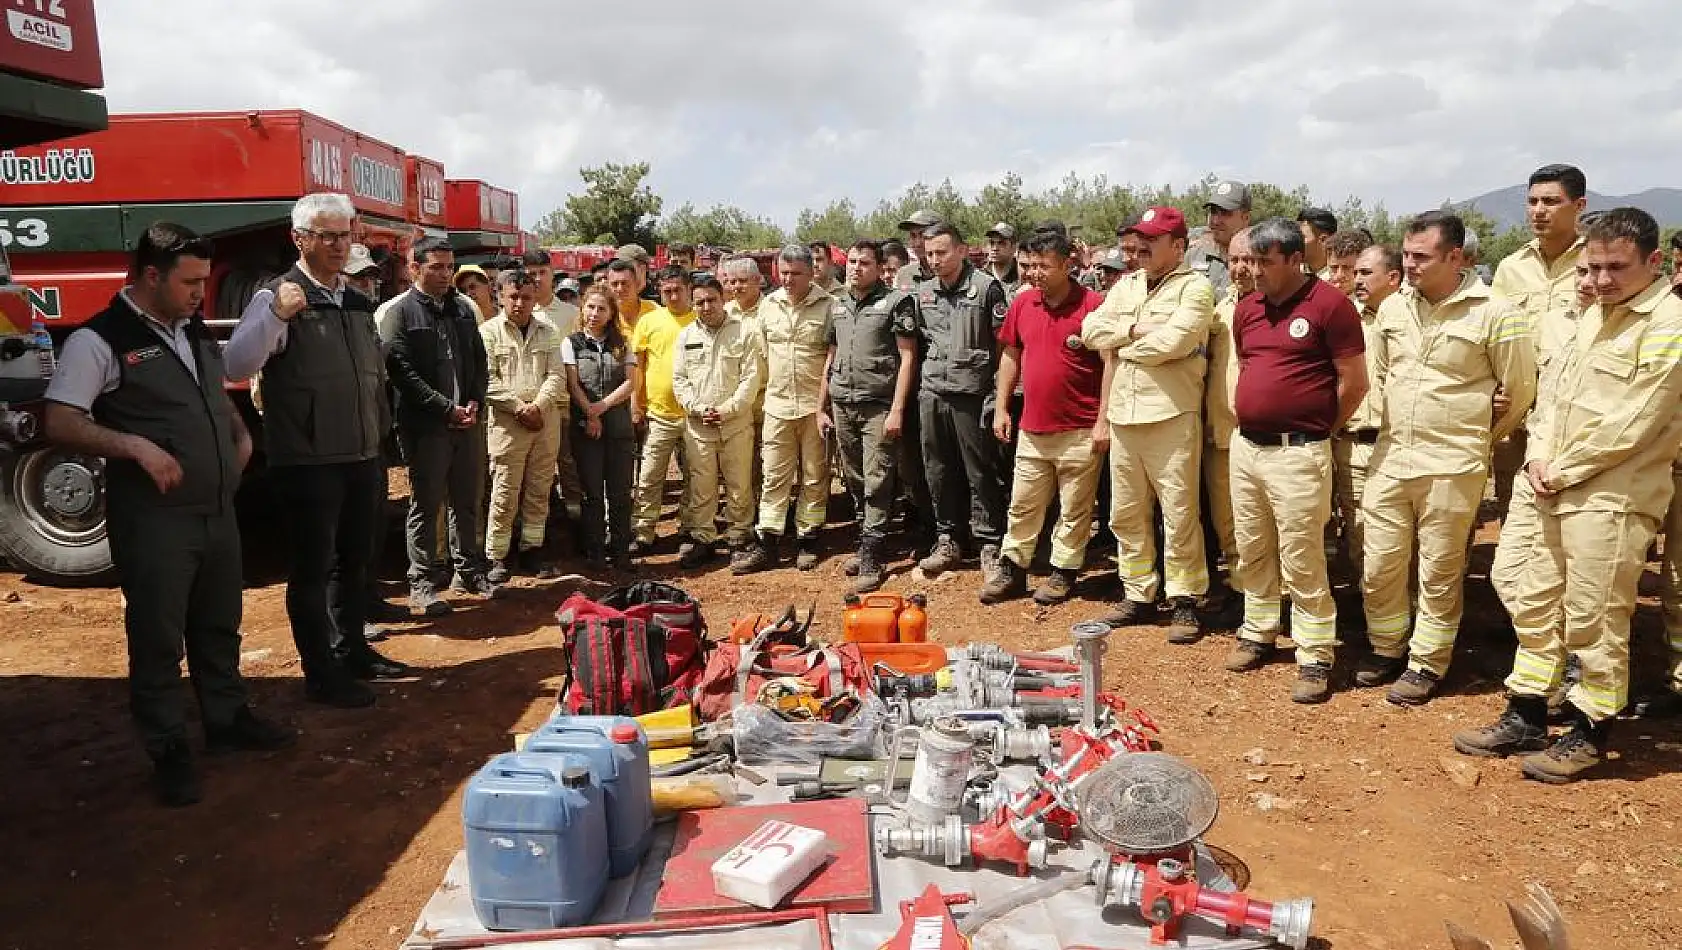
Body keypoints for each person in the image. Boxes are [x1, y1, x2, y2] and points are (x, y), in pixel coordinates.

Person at [44, 222, 294, 806]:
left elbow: (214, 391)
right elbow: (60, 419)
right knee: (158, 636)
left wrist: (239, 436)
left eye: (205, 282)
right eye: (190, 282)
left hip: (213, 509)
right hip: (155, 519)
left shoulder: (193, 331)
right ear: (150, 276)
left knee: (218, 623)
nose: (200, 294)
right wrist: (135, 446)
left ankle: (227, 721)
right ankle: (167, 748)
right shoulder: (98, 340)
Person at [1454, 207, 1682, 783]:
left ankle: (1589, 727)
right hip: (1548, 480)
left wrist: (1565, 468)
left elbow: (1639, 420)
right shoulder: (1591, 317)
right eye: (1593, 267)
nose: (1601, 280)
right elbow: (1551, 395)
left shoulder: (1667, 324)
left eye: (1616, 268)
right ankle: (1529, 710)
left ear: (1653, 262)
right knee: (1527, 591)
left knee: (1595, 615)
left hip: (1610, 494)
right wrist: (1537, 458)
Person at [224, 193, 400, 702]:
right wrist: (277, 316)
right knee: (312, 568)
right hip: (308, 461)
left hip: (361, 455)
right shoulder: (276, 297)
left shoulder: (355, 300)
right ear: (298, 239)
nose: (337, 245)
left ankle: (353, 652)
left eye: (344, 234)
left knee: (356, 561)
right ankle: (321, 673)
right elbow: (236, 365)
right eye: (325, 235)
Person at [1357, 212, 1536, 706]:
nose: (1409, 265)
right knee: (1380, 564)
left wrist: (1478, 434)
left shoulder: (1497, 312)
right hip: (1392, 457)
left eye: (1421, 257)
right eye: (1406, 254)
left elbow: (1519, 390)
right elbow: (1386, 374)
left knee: (1438, 570)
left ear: (1455, 257)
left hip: (1453, 464)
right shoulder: (1393, 309)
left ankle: (1426, 663)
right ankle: (1385, 647)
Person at [1221, 217, 1369, 705]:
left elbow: (1354, 381)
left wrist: (1320, 427)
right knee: (1252, 547)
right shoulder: (1247, 310)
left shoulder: (1330, 306)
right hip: (1247, 449)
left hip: (1299, 452)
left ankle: (1314, 654)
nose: (1254, 271)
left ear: (1293, 259)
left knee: (1302, 556)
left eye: (1264, 262)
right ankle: (1258, 631)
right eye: (1250, 261)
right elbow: (1246, 365)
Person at [1080, 207, 1213, 643]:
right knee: (1125, 512)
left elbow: (1178, 340)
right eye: (1141, 239)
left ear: (1178, 246)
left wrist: (1123, 343)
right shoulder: (1128, 285)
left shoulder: (1195, 287)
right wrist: (1137, 329)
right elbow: (1090, 331)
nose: (1143, 249)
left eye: (1153, 240)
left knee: (1179, 513)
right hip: (1124, 415)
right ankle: (1138, 593)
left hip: (1171, 415)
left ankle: (1185, 599)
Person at [982, 229, 1106, 606]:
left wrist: (1104, 421)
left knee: (1075, 507)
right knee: (1022, 503)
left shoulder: (1094, 306)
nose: (1034, 274)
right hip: (1033, 426)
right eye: (1030, 265)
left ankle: (1064, 571)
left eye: (1044, 266)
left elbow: (1111, 365)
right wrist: (1002, 406)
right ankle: (1013, 568)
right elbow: (1010, 357)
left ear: (1067, 264)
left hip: (1081, 428)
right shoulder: (1022, 304)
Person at [381, 236, 497, 613]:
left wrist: (475, 400)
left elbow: (478, 362)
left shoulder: (463, 310)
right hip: (427, 427)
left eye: (450, 267)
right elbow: (401, 370)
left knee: (467, 500)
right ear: (414, 268)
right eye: (437, 267)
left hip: (468, 424)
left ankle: (469, 571)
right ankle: (422, 581)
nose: (446, 274)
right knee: (426, 504)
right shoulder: (400, 313)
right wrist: (445, 408)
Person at [1488, 164, 1589, 539]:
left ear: (1579, 205)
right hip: (1516, 411)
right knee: (1512, 505)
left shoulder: (1594, 267)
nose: (1538, 210)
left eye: (1551, 201)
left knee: (1568, 508)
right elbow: (1493, 338)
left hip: (1571, 411)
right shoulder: (1511, 268)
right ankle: (1515, 593)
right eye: (1532, 201)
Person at [912, 222, 1010, 578]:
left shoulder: (986, 289)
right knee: (937, 469)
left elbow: (1003, 343)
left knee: (979, 471)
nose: (935, 260)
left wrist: (997, 392)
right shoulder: (923, 294)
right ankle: (949, 538)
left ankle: (988, 542)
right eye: (929, 254)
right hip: (933, 391)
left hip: (972, 393)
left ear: (962, 250)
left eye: (942, 252)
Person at [822, 239, 921, 593]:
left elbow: (907, 358)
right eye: (851, 261)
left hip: (878, 406)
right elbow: (830, 358)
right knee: (854, 478)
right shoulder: (837, 306)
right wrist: (822, 406)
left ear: (880, 268)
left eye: (864, 263)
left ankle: (873, 554)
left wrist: (897, 409)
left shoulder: (896, 303)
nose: (855, 268)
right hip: (842, 403)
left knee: (878, 477)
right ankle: (867, 538)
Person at [734, 245, 836, 573]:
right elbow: (761, 356)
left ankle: (808, 537)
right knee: (774, 475)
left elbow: (833, 360)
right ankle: (769, 541)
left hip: (813, 407)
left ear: (811, 273)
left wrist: (825, 406)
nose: (789, 280)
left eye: (796, 274)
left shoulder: (829, 306)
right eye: (784, 273)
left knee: (814, 474)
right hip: (777, 405)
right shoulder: (769, 307)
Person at [479, 269, 566, 581]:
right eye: (513, 296)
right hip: (507, 422)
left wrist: (537, 407)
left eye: (526, 297)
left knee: (540, 488)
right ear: (500, 297)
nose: (519, 303)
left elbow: (556, 374)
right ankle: (496, 556)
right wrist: (518, 408)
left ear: (534, 298)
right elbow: (486, 380)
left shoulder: (548, 330)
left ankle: (532, 549)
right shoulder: (488, 332)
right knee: (505, 489)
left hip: (544, 419)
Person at [673, 274, 765, 566]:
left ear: (723, 298)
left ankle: (739, 538)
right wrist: (698, 408)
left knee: (739, 486)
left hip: (735, 424)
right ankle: (703, 538)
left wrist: (727, 409)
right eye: (699, 302)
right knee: (702, 487)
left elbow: (752, 378)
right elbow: (679, 380)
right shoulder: (686, 336)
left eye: (711, 300)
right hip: (699, 426)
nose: (706, 306)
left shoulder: (745, 332)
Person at [1336, 243, 1402, 585]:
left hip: (1399, 446)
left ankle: (1413, 619)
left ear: (1393, 277)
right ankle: (1376, 620)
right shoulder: (1344, 317)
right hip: (1353, 445)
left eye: (1365, 273)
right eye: (1354, 272)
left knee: (1405, 541)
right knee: (1361, 537)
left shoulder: (1415, 318)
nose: (1355, 280)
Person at [1202, 227, 1256, 622]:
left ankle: (1267, 599)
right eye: (1234, 260)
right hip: (1222, 434)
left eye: (1248, 260)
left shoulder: (1281, 309)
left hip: (1264, 438)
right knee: (1229, 524)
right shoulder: (1219, 310)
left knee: (1264, 528)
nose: (1240, 268)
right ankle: (1241, 593)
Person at [563, 286, 638, 568]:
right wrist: (591, 414)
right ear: (583, 309)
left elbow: (631, 383)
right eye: (591, 307)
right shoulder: (571, 343)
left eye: (602, 309)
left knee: (620, 490)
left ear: (611, 314)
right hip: (586, 428)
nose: (595, 314)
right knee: (591, 491)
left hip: (618, 426)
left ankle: (621, 550)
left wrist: (602, 407)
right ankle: (595, 550)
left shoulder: (623, 343)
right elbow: (573, 384)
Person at [629, 265, 700, 556]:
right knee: (649, 476)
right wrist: (636, 403)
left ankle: (688, 529)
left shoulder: (699, 319)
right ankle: (643, 532)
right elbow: (638, 367)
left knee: (695, 478)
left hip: (694, 416)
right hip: (658, 415)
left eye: (677, 290)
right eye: (666, 291)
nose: (672, 296)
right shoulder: (649, 321)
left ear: (688, 290)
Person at [520, 250, 582, 524]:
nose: (536, 279)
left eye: (541, 273)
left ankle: (575, 518)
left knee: (569, 465)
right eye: (530, 274)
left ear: (551, 274)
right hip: (528, 409)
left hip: (565, 405)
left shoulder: (571, 314)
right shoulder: (517, 311)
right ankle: (535, 523)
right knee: (532, 470)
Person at [722, 254, 771, 508]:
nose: (736, 287)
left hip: (766, 400)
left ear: (757, 281)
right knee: (741, 464)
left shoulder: (772, 309)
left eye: (742, 281)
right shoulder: (724, 313)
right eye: (731, 282)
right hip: (736, 404)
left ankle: (769, 514)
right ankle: (745, 512)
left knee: (770, 463)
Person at [1189, 180, 1252, 298]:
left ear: (1246, 218)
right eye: (1213, 212)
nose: (1216, 221)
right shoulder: (1194, 254)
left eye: (1225, 213)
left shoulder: (1258, 261)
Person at [605, 258, 657, 341]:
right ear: (608, 286)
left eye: (625, 283)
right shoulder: (603, 315)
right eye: (615, 284)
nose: (620, 289)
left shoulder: (654, 311)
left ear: (636, 284)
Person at [895, 209, 940, 289]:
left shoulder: (953, 272)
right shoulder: (904, 275)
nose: (917, 243)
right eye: (913, 236)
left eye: (923, 235)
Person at [1322, 230, 1371, 298]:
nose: (1339, 275)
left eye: (1347, 267)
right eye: (1334, 267)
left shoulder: (1374, 301)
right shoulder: (1318, 292)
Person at [1296, 208, 1338, 278]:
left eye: (1302, 238)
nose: (1295, 242)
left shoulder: (1339, 280)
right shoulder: (1294, 275)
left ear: (1324, 240)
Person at [983, 223, 1022, 295]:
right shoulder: (981, 276)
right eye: (992, 243)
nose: (995, 248)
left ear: (1014, 247)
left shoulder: (1022, 277)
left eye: (1001, 243)